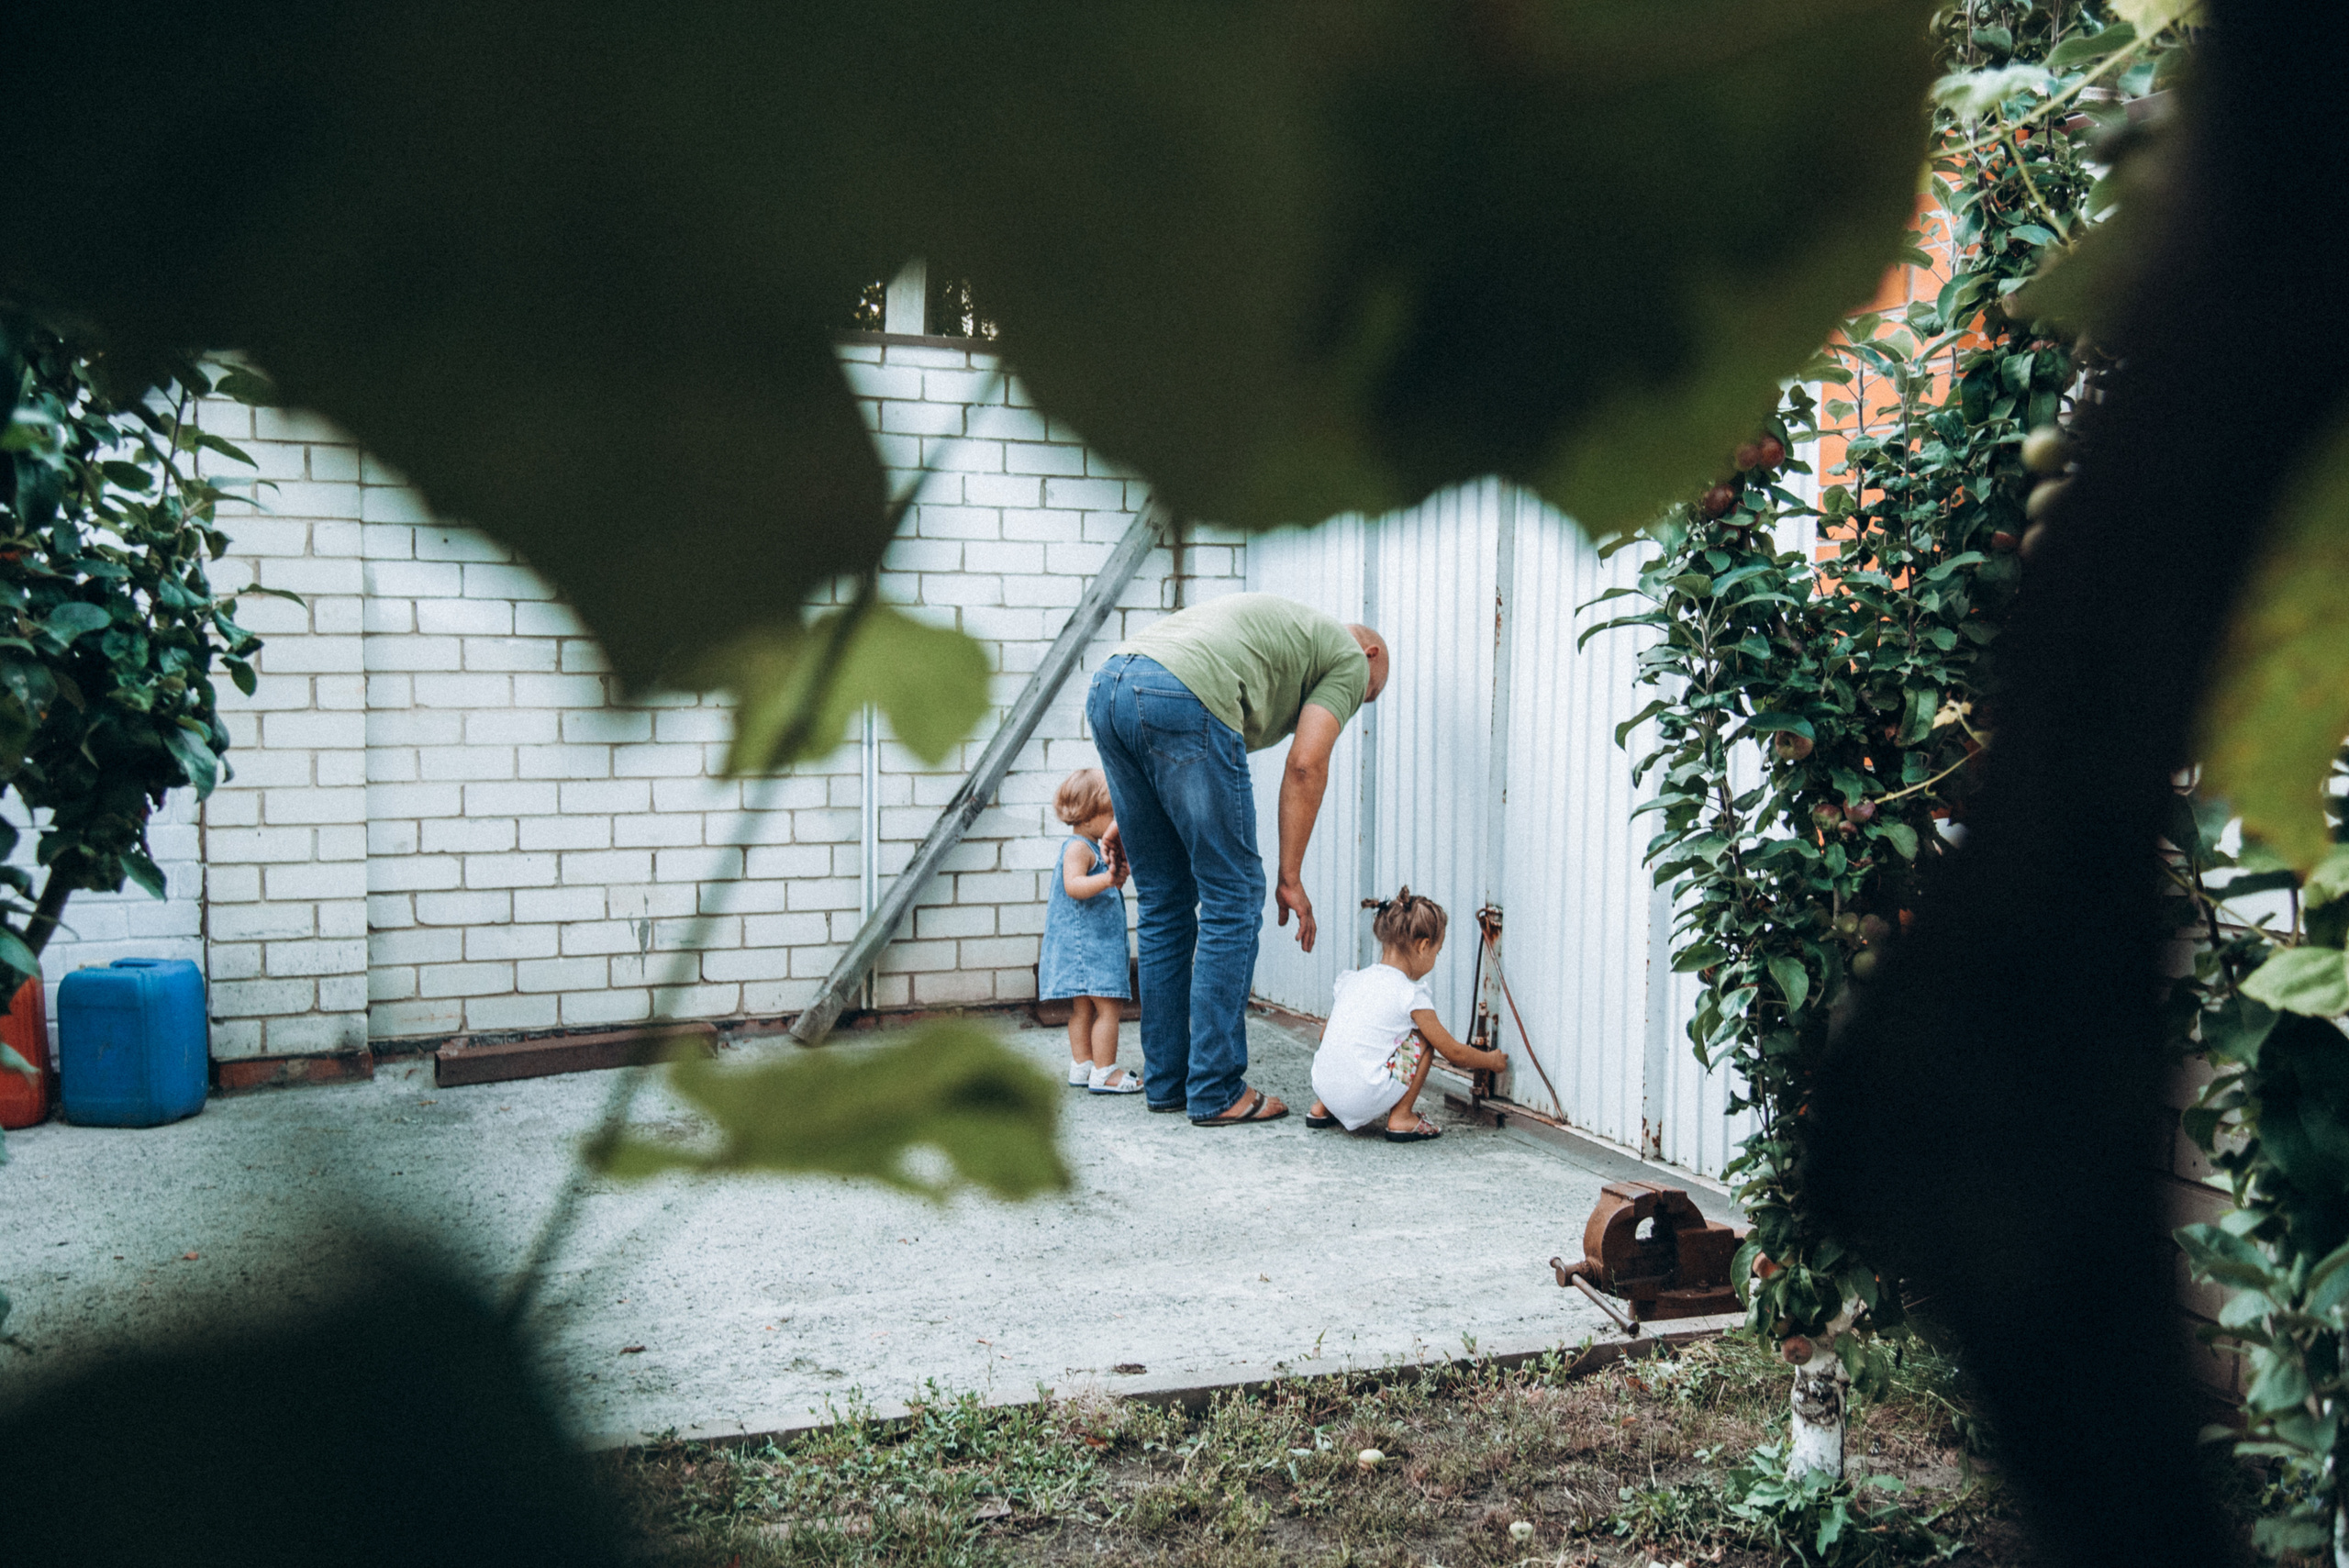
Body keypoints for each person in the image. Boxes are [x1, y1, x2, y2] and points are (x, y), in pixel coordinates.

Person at [1085, 592, 1388, 1127]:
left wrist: (1131, 817)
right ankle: (1217, 1088)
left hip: (1112, 684)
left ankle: (1169, 1083)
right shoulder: (1345, 656)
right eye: (1366, 696)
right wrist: (1289, 875)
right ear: (1369, 656)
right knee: (1234, 896)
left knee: (1163, 900)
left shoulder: (1284, 638)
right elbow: (1305, 765)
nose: (1354, 704)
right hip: (1181, 694)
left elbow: (1162, 726)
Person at [1306, 888, 1506, 1141]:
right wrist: (1492, 1061)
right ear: (1423, 946)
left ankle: (1322, 1108)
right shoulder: (1410, 995)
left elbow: (1325, 1035)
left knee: (1345, 1037)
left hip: (1323, 1084)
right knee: (1424, 1039)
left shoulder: (1353, 980)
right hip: (1362, 1097)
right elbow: (1453, 1052)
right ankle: (1402, 1117)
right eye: (1437, 951)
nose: (1435, 957)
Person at [1039, 768, 1141, 1094]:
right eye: (1110, 813)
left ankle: (1082, 1065)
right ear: (1088, 815)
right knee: (1108, 1009)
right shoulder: (1080, 848)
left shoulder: (1090, 847)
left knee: (1082, 1009)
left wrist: (1115, 877)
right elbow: (1074, 886)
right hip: (1091, 948)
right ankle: (1105, 1072)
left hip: (1087, 946)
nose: (1115, 820)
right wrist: (1107, 880)